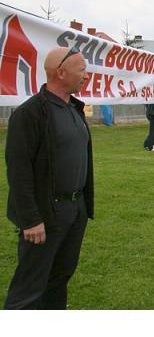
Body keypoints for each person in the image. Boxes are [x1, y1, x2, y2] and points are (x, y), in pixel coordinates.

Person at [4, 47, 94, 309]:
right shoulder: (30, 113)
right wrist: (30, 219)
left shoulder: (73, 108)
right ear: (60, 73)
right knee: (29, 288)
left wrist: (81, 207)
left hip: (75, 210)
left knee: (59, 279)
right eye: (82, 70)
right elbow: (18, 171)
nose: (86, 76)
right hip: (46, 212)